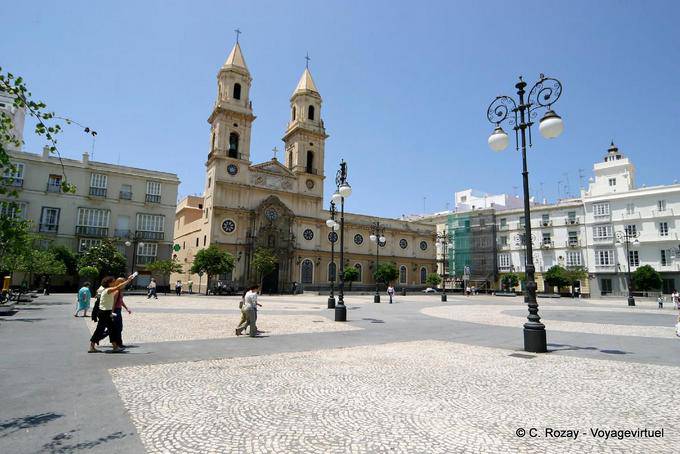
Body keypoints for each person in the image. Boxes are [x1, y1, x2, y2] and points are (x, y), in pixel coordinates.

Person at [89, 274, 135, 353]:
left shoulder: (108, 290)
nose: (115, 283)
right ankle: (92, 346)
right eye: (113, 282)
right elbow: (118, 287)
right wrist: (128, 280)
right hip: (104, 313)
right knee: (100, 330)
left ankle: (115, 347)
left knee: (112, 329)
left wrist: (111, 312)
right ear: (109, 283)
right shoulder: (107, 290)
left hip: (106, 312)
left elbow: (118, 288)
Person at [112, 277, 132, 348]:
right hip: (116, 311)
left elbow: (120, 301)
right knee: (117, 327)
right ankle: (118, 343)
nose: (124, 284)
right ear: (119, 283)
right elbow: (113, 303)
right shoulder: (117, 291)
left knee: (119, 328)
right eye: (123, 282)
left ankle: (119, 343)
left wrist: (126, 308)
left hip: (118, 310)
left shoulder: (120, 291)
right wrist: (112, 313)